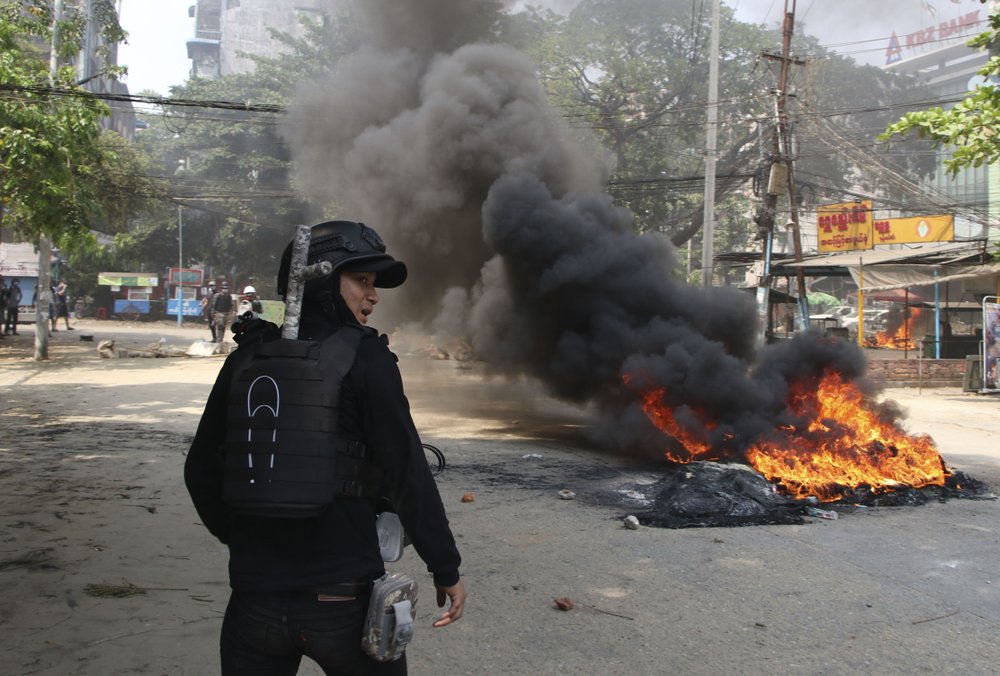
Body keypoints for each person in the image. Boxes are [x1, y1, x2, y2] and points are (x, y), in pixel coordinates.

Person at [185, 220, 465, 675]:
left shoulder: (245, 359)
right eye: (361, 280)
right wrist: (445, 568)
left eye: (374, 284)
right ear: (322, 281)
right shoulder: (366, 358)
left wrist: (245, 540)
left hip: (254, 603)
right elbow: (407, 472)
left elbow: (200, 470)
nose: (373, 296)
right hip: (343, 604)